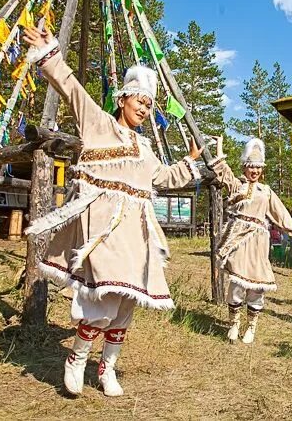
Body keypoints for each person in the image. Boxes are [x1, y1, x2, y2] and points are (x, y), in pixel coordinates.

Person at [21, 26, 201, 397]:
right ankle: (78, 357)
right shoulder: (99, 124)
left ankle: (108, 367)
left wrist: (191, 163)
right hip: (104, 226)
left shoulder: (147, 147)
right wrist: (49, 54)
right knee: (102, 299)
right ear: (123, 99)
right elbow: (72, 89)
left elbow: (163, 177)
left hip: (137, 231)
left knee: (125, 304)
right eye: (140, 101)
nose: (145, 109)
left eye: (150, 105)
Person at [208, 137, 292, 344]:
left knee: (258, 285)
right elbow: (222, 170)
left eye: (258, 168)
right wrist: (220, 146)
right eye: (251, 167)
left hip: (259, 241)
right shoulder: (236, 186)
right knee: (236, 284)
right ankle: (234, 323)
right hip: (239, 240)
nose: (255, 171)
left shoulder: (266, 191)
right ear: (244, 167)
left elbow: (280, 214)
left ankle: (251, 326)